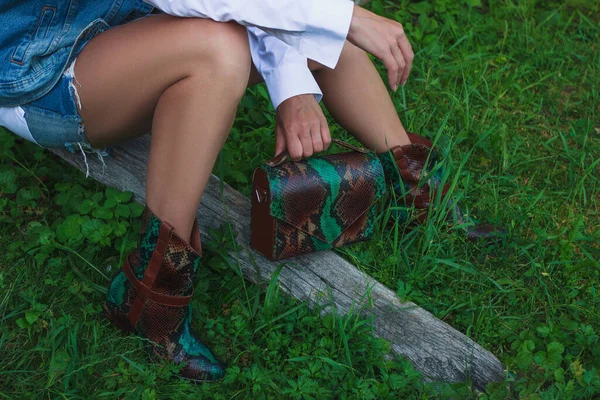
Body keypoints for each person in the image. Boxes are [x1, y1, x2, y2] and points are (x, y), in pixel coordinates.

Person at [0, 0, 504, 382]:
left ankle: (415, 190)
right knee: (219, 50)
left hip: (125, 31)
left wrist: (294, 82)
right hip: (42, 65)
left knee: (314, 23)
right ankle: (150, 298)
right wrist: (341, 19)